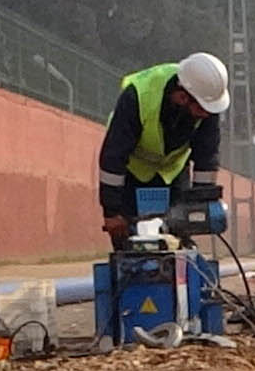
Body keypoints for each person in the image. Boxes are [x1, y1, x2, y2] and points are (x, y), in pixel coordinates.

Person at [97, 52, 230, 244]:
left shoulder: (206, 103)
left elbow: (206, 158)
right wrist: (111, 212)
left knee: (180, 240)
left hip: (172, 173)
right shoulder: (138, 97)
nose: (206, 115)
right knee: (130, 246)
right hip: (132, 173)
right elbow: (113, 157)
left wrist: (200, 207)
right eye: (201, 110)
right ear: (183, 97)